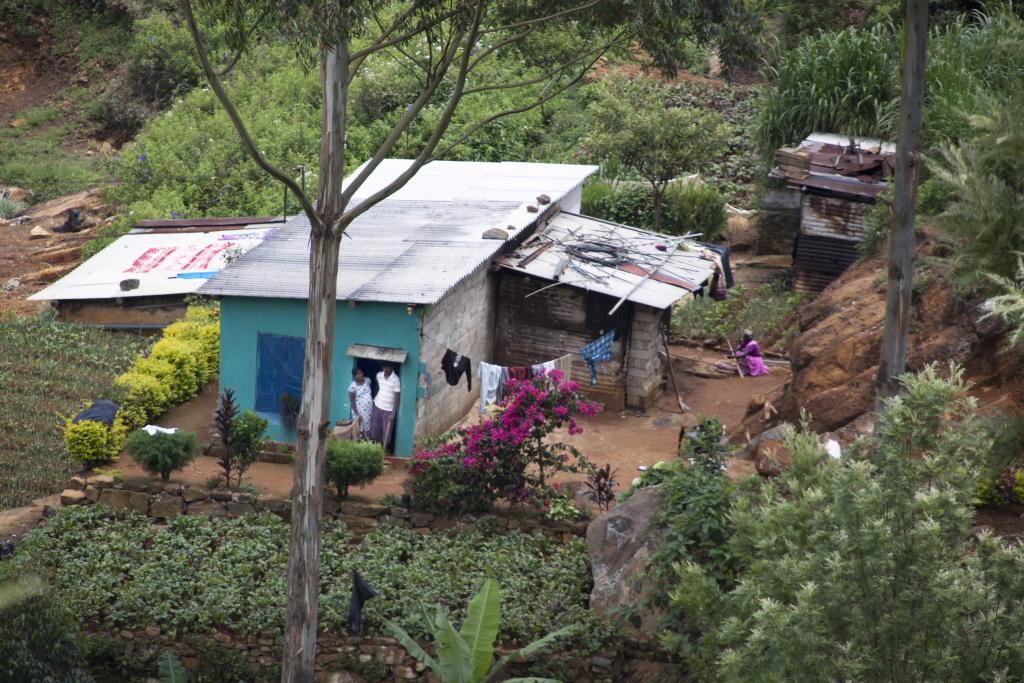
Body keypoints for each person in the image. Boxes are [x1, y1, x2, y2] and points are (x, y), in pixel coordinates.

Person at [371, 363, 401, 453]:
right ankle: (375, 447)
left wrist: (393, 413)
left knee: (387, 430)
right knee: (376, 428)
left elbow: (397, 396)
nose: (385, 369)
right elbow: (378, 387)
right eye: (384, 367)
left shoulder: (395, 379)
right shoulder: (379, 375)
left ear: (392, 367)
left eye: (387, 367)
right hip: (377, 405)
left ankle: (385, 448)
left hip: (388, 409)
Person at [348, 367, 373, 440]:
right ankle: (359, 442)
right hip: (359, 410)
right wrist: (357, 413)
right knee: (359, 426)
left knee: (368, 425)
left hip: (368, 410)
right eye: (359, 374)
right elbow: (352, 402)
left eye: (361, 373)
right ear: (355, 376)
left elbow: (369, 392)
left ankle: (367, 441)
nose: (361, 374)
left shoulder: (367, 380)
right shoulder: (352, 386)